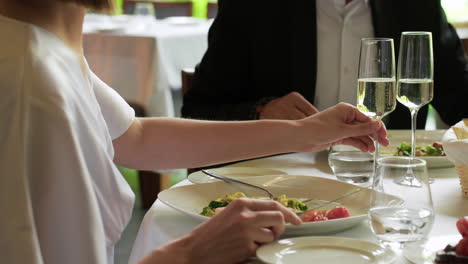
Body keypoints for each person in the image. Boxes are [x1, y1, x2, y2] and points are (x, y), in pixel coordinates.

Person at [0, 0, 389, 263]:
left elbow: (134, 137)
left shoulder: (40, 42)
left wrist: (304, 132)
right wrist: (191, 251)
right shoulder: (31, 83)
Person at [181, 0, 468, 129]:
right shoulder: (255, 7)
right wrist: (260, 111)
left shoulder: (414, 6)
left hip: (389, 190)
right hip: (277, 183)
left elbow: (459, 97)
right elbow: (197, 111)